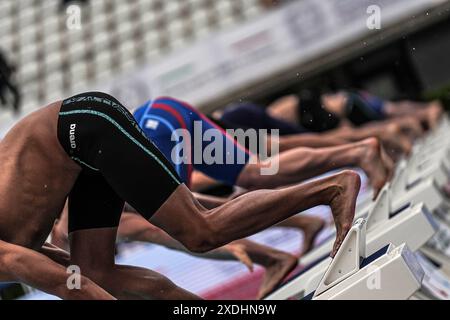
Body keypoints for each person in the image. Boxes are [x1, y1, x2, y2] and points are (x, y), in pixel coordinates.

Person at [0, 92, 360, 300]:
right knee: (95, 271)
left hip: (85, 129)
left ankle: (331, 188)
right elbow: (72, 273)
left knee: (200, 230)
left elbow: (65, 284)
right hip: (77, 148)